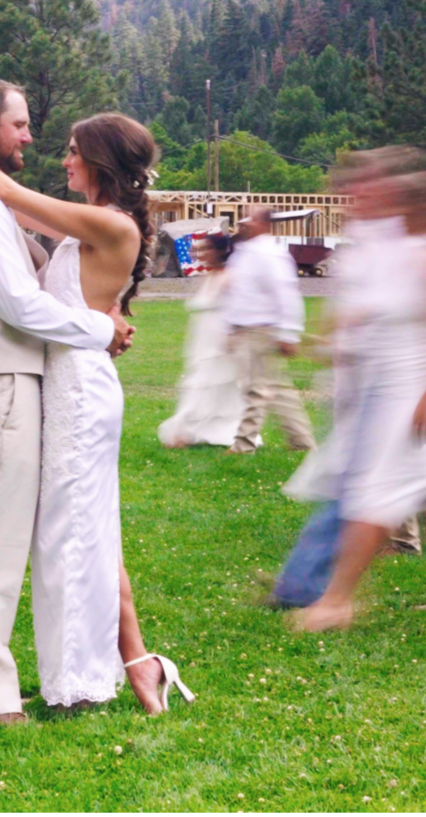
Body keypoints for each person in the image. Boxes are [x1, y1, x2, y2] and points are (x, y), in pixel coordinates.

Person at [0, 101, 194, 717]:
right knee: (79, 527)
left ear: (99, 160)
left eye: (74, 150)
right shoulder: (87, 222)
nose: (63, 157)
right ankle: (133, 661)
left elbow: (8, 191)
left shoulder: (113, 226)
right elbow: (8, 210)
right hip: (61, 379)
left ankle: (78, 684)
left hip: (79, 384)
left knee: (70, 533)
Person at [284, 149, 426, 631]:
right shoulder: (399, 250)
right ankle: (330, 595)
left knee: (377, 495)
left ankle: (336, 601)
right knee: (375, 492)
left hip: (407, 393)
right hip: (387, 391)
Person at [223, 207, 316, 455]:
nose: (244, 225)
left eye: (250, 221)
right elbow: (237, 295)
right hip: (246, 328)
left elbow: (286, 295)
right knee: (277, 389)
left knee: (256, 388)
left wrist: (289, 333)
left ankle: (244, 444)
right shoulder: (243, 253)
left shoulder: (270, 253)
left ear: (264, 224)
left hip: (262, 329)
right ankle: (301, 441)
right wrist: (231, 328)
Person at [158, 232, 259, 449]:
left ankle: (180, 433)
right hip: (202, 341)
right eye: (201, 249)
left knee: (205, 386)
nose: (202, 254)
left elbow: (242, 308)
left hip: (219, 343)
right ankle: (195, 431)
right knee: (204, 386)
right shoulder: (209, 276)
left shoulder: (231, 277)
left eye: (207, 249)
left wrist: (234, 335)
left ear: (220, 251)